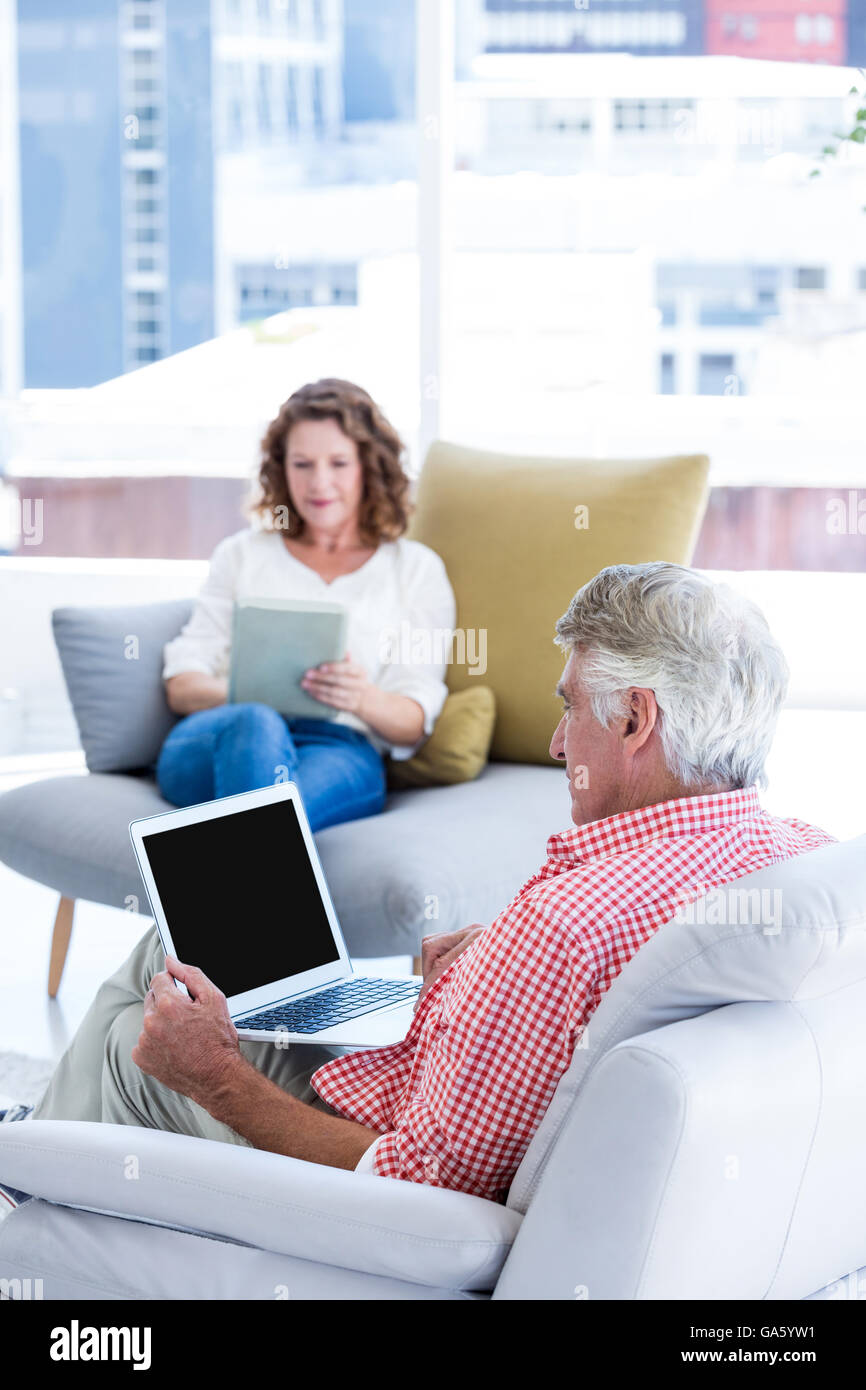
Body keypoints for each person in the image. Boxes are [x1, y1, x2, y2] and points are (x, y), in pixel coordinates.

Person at [20, 563, 834, 1205]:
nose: (556, 743)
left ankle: (31, 1191)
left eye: (572, 708)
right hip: (424, 1099)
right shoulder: (806, 860)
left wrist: (215, 1077)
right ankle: (37, 1144)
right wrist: (491, 971)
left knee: (139, 1037)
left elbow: (412, 1191)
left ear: (635, 720)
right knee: (172, 945)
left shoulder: (567, 927)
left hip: (363, 1180)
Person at [155, 377, 456, 832]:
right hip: (223, 736)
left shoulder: (415, 569)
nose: (319, 483)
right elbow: (182, 684)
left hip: (338, 748)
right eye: (301, 464)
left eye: (338, 463)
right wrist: (253, 692)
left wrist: (361, 697)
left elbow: (412, 722)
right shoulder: (242, 554)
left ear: (368, 467)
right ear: (280, 469)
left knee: (271, 817)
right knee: (257, 728)